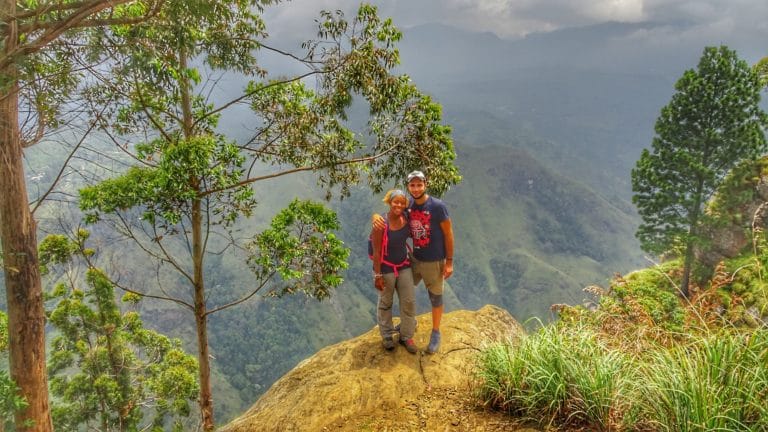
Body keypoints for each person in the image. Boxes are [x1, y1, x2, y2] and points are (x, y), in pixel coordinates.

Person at [373, 170, 454, 354]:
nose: (416, 188)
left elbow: (448, 233)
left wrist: (449, 261)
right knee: (400, 297)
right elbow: (388, 220)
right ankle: (401, 328)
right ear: (409, 186)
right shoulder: (408, 209)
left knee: (433, 297)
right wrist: (375, 216)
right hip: (413, 261)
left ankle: (434, 333)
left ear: (425, 184)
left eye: (419, 184)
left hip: (432, 260)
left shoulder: (437, 206)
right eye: (412, 185)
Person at [370, 189, 418, 353]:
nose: (398, 205)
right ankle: (387, 335)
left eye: (402, 202)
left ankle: (406, 336)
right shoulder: (381, 224)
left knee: (409, 301)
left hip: (404, 265)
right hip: (386, 268)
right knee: (385, 303)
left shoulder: (407, 218)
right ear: (389, 202)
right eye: (395, 202)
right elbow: (376, 252)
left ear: (406, 205)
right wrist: (377, 275)